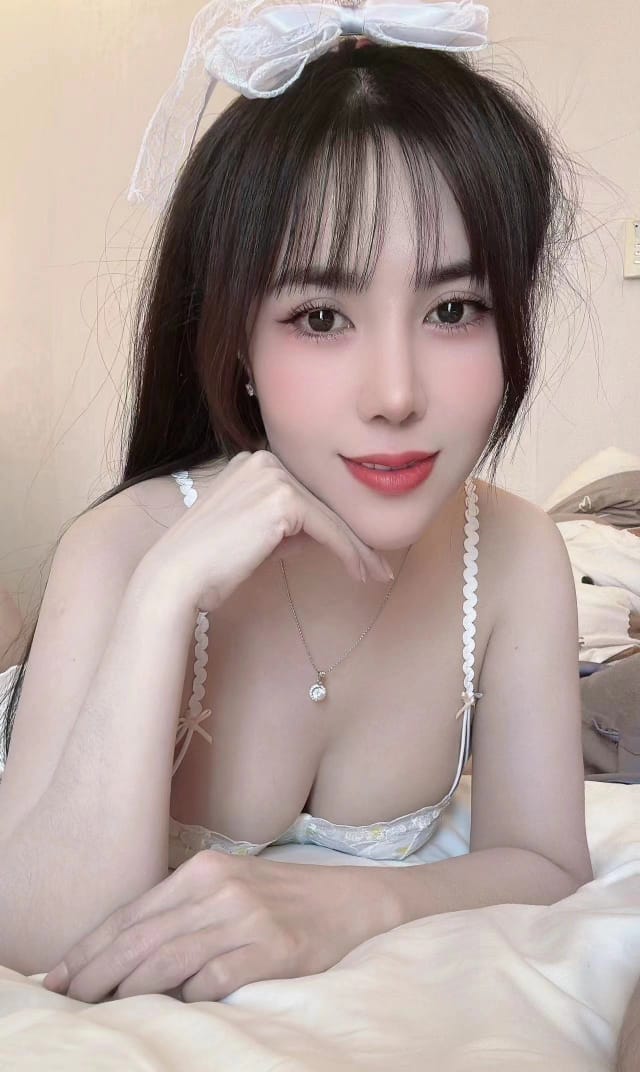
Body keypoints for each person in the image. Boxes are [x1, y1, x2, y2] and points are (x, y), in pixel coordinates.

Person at [0, 0, 593, 1004]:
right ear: (236, 341)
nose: (395, 394)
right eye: (320, 316)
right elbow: (37, 947)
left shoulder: (517, 555)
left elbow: (545, 862)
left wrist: (343, 905)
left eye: (454, 308)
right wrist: (162, 598)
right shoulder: (121, 548)